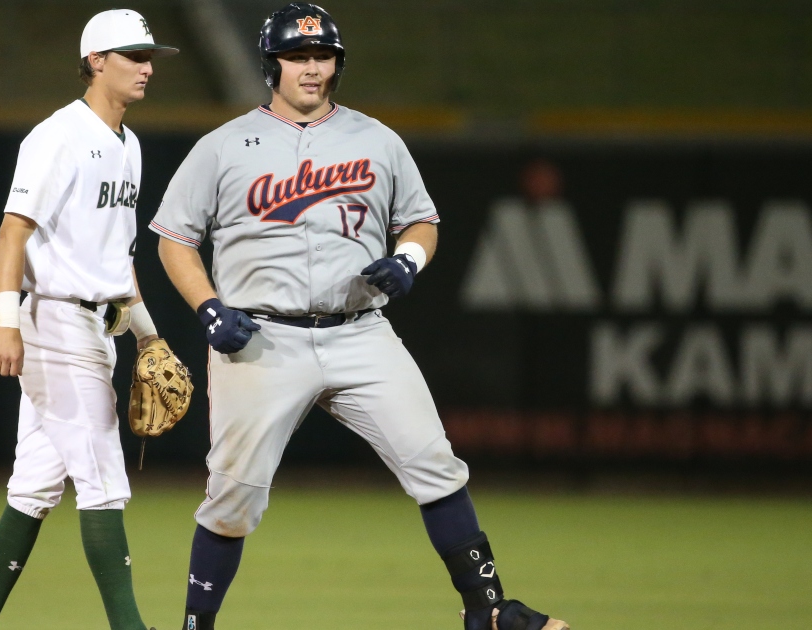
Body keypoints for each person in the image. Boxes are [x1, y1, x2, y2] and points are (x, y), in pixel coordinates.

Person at [150, 4, 568, 630]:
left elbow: (422, 221)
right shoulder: (224, 146)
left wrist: (407, 261)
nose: (313, 69)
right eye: (298, 57)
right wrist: (209, 307)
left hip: (360, 331)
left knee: (434, 462)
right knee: (232, 498)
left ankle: (487, 611)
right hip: (262, 340)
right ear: (273, 64)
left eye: (323, 57)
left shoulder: (377, 139)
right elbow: (173, 238)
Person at [0, 9, 177, 630]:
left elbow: (119, 260)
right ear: (95, 61)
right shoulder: (56, 136)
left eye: (149, 57)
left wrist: (150, 336)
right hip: (55, 323)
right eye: (133, 56)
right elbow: (13, 230)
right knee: (105, 481)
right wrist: (7, 322)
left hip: (98, 327)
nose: (145, 67)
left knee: (32, 488)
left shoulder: (129, 145)